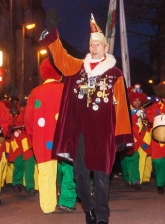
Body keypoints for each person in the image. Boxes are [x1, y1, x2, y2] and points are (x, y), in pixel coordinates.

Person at [39, 12, 133, 224]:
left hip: (104, 133)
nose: (94, 48)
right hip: (81, 132)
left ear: (105, 48)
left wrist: (121, 136)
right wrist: (53, 36)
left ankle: (101, 215)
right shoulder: (78, 67)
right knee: (80, 174)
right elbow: (61, 59)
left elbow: (120, 106)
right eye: (91, 45)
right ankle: (88, 207)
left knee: (101, 177)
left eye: (98, 45)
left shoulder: (115, 73)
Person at [24, 57, 64, 214]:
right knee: (66, 170)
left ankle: (47, 206)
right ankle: (66, 199)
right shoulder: (64, 89)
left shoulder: (35, 92)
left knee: (45, 172)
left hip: (42, 139)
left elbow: (28, 118)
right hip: (62, 138)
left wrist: (32, 138)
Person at [121, 84, 152, 189]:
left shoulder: (144, 110)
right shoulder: (126, 110)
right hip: (132, 137)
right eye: (135, 100)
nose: (137, 102)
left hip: (142, 138)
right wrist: (134, 115)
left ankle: (138, 179)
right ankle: (133, 180)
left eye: (139, 100)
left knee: (141, 158)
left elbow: (148, 124)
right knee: (131, 158)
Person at [10, 97, 36, 195]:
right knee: (22, 163)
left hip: (26, 141)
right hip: (19, 142)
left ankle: (26, 185)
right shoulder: (19, 116)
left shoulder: (28, 113)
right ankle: (22, 185)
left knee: (26, 164)